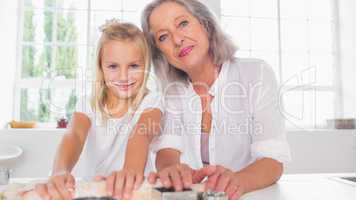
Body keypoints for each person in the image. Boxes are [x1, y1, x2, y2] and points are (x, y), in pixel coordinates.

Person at [141, 0, 292, 199]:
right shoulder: (171, 92)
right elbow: (167, 148)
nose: (177, 40)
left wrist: (238, 181)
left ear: (206, 24)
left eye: (183, 24)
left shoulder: (256, 74)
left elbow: (272, 159)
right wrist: (172, 170)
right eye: (163, 37)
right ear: (160, 53)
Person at [30, 20, 164, 200]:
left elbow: (140, 135)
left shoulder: (152, 101)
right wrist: (59, 171)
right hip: (92, 194)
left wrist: (129, 173)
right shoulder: (88, 104)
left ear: (146, 65)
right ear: (101, 67)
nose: (124, 76)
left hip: (135, 193)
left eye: (134, 66)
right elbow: (74, 135)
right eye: (113, 66)